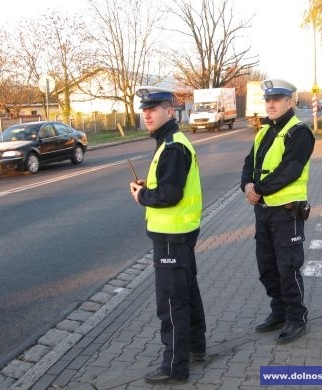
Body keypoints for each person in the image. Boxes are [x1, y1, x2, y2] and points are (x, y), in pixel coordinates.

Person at [129, 86, 206, 384]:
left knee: (172, 303)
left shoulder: (172, 146)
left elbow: (170, 194)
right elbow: (172, 184)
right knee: (188, 294)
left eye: (154, 108)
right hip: (181, 233)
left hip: (172, 236)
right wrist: (148, 184)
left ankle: (175, 366)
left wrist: (142, 195)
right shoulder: (171, 142)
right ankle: (197, 348)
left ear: (169, 111)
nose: (146, 113)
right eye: (144, 109)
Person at [240, 79, 315, 344]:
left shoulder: (299, 132)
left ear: (290, 101)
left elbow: (290, 170)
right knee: (267, 267)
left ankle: (296, 317)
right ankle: (279, 310)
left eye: (277, 99)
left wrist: (259, 188)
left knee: (288, 268)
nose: (270, 104)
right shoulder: (263, 132)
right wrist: (246, 184)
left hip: (286, 213)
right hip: (263, 212)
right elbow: (250, 162)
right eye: (267, 100)